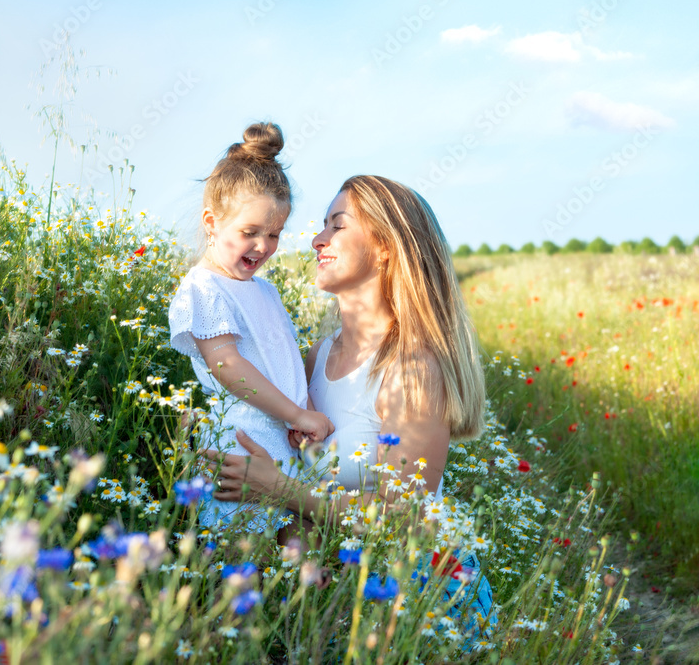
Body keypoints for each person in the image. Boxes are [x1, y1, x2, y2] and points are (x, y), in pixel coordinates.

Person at [201, 175, 494, 639]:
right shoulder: (317, 356)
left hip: (417, 605)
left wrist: (279, 490)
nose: (317, 239)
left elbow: (406, 517)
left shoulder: (413, 368)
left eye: (337, 226)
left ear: (386, 247)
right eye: (323, 226)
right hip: (335, 601)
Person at [168, 122, 334, 538]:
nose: (263, 246)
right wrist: (296, 413)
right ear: (212, 222)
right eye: (250, 233)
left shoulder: (264, 290)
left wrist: (304, 410)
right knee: (243, 551)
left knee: (293, 552)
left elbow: (284, 362)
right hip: (242, 438)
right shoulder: (202, 287)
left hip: (284, 439)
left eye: (274, 234)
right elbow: (226, 365)